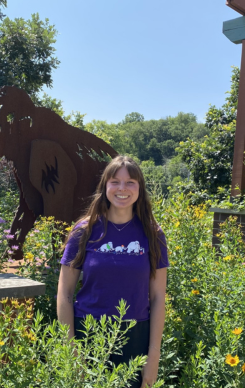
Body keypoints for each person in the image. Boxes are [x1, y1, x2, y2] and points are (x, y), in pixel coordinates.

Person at [57, 155, 168, 388]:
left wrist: (154, 356)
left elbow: (158, 298)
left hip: (135, 337)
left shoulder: (152, 234)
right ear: (105, 186)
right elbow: (65, 295)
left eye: (130, 182)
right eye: (115, 181)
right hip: (88, 334)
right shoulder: (84, 231)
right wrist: (71, 350)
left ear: (140, 188)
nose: (122, 188)